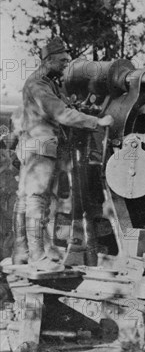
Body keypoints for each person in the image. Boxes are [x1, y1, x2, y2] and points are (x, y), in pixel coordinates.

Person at [11, 38, 114, 272]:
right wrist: (97, 121)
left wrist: (84, 110)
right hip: (40, 147)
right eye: (62, 60)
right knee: (37, 199)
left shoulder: (48, 83)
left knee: (26, 199)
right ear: (49, 60)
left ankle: (22, 252)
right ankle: (37, 256)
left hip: (38, 146)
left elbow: (66, 106)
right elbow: (61, 114)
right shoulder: (38, 85)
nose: (66, 63)